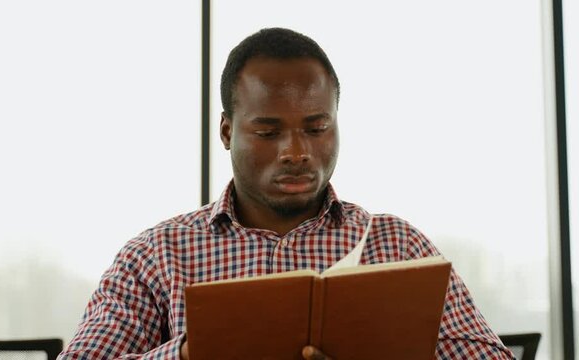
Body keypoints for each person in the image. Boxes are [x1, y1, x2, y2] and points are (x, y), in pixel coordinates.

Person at [59, 27, 514, 359]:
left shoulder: (397, 246)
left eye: (317, 128)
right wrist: (187, 355)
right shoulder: (157, 256)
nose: (296, 152)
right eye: (268, 131)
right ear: (226, 131)